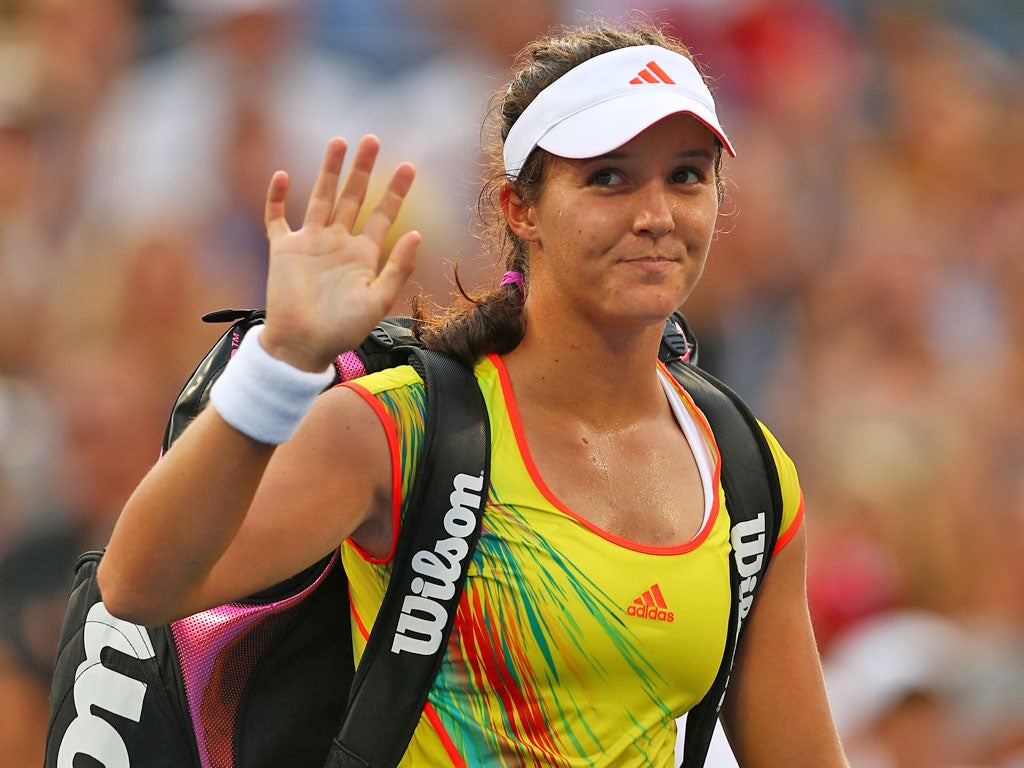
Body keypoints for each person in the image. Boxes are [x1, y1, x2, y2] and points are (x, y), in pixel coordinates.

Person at [98, 20, 849, 767]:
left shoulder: (747, 472)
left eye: (687, 175)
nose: (656, 215)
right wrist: (282, 362)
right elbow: (138, 587)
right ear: (521, 209)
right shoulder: (398, 430)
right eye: (609, 177)